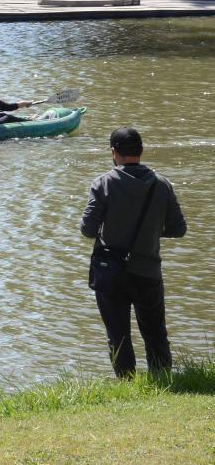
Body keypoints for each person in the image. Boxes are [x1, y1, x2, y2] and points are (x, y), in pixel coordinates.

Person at [80, 127, 187, 378]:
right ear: (141, 151)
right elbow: (179, 229)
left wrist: (115, 232)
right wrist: (149, 233)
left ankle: (128, 386)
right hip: (148, 271)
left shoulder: (103, 183)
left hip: (111, 273)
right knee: (156, 333)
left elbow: (87, 229)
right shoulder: (162, 184)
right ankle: (162, 380)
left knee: (118, 335)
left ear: (114, 153)